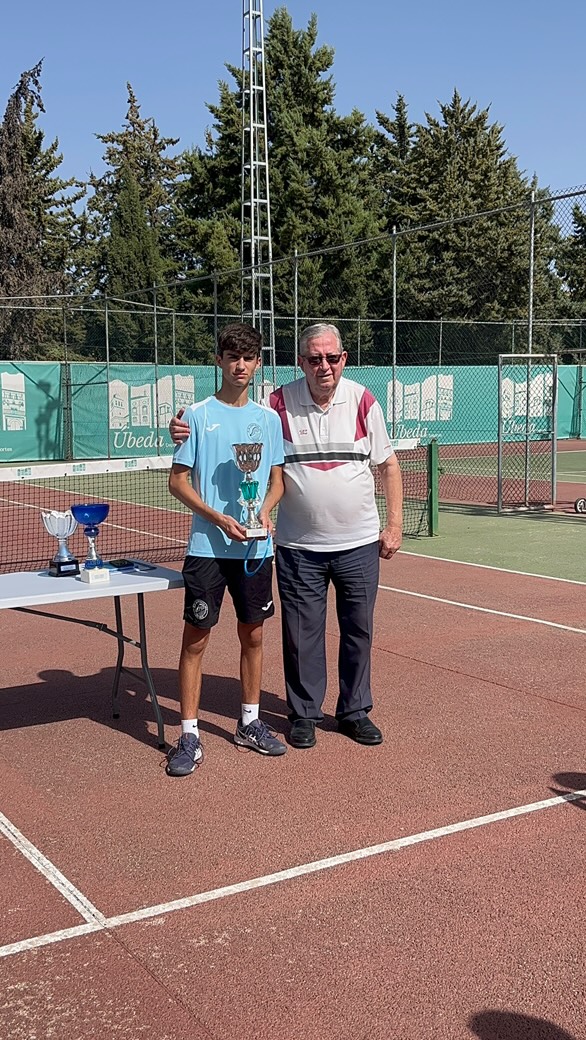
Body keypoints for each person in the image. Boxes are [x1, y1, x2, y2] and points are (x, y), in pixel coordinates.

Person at [170, 322, 403, 751]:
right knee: (300, 634)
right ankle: (303, 715)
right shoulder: (275, 404)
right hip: (297, 546)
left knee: (358, 631)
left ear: (343, 359)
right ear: (301, 362)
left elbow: (388, 466)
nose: (324, 366)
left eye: (331, 358)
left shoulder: (364, 401)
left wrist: (394, 525)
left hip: (358, 542)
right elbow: (231, 415)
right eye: (314, 358)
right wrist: (180, 428)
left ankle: (354, 711)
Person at [166, 322, 287, 778]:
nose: (240, 365)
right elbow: (177, 481)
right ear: (218, 360)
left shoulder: (268, 420)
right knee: (196, 639)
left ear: (257, 364)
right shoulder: (196, 416)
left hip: (255, 548)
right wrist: (217, 517)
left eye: (249, 357)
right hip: (207, 549)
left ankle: (249, 724)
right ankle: (190, 734)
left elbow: (277, 482)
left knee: (253, 635)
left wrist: (263, 512)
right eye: (232, 356)